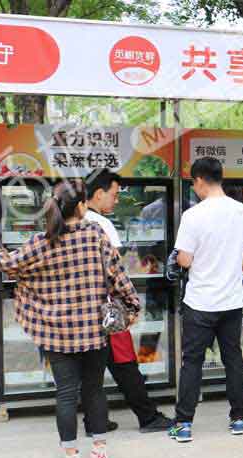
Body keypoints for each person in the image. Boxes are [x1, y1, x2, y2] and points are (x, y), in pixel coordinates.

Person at [0, 180, 141, 458]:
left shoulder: (41, 242)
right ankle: (100, 450)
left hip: (56, 334)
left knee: (66, 394)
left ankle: (71, 457)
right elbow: (117, 275)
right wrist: (132, 306)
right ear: (81, 206)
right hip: (94, 332)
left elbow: (5, 262)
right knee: (94, 390)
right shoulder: (95, 234)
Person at [168, 157, 243, 444]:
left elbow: (185, 259)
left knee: (192, 362)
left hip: (200, 302)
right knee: (233, 358)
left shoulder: (193, 215)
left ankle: (184, 424)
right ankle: (239, 418)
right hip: (231, 301)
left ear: (199, 181)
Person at [84, 169, 173, 434]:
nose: (116, 200)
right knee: (124, 362)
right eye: (113, 195)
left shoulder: (72, 220)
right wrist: (130, 303)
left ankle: (94, 421)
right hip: (107, 307)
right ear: (98, 194)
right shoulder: (102, 224)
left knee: (91, 367)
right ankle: (148, 417)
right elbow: (115, 270)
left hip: (80, 309)